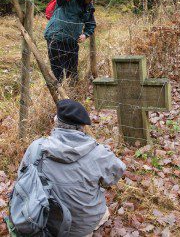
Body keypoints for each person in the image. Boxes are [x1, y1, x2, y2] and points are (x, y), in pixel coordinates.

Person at [18, 99, 126, 237]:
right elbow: (114, 177)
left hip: (42, 221)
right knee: (104, 211)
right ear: (83, 126)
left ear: (56, 121)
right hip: (82, 228)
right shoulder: (100, 154)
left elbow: (22, 177)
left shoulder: (36, 147)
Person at [44, 0, 97, 83]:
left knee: (72, 73)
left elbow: (91, 24)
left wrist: (85, 35)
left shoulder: (88, 7)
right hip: (56, 38)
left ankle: (71, 94)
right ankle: (58, 95)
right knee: (57, 72)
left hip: (72, 42)